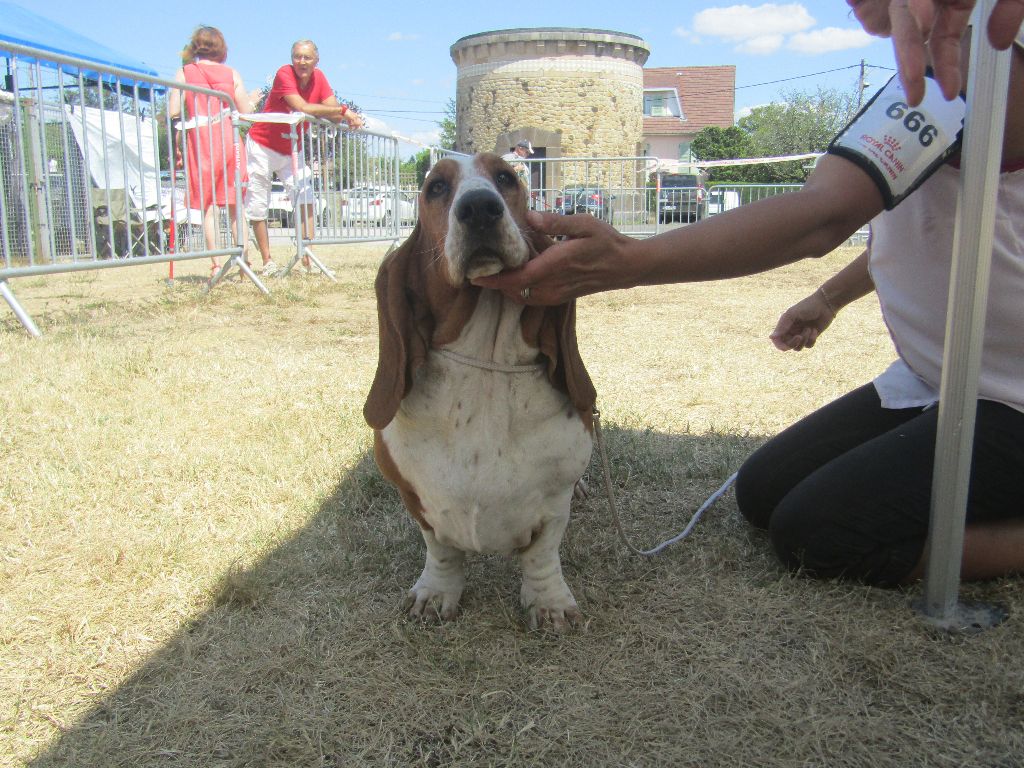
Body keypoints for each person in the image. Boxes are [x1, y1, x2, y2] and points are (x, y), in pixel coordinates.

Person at [473, 0, 1024, 586]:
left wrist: (629, 262)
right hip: (937, 379)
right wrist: (830, 298)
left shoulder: (988, 56)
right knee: (762, 491)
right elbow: (936, 225)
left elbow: (825, 215)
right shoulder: (943, 57)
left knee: (818, 535)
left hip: (1008, 398)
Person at [244, 39, 363, 276]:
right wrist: (343, 111)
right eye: (297, 56)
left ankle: (308, 256)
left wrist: (345, 116)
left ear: (316, 60)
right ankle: (267, 261)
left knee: (306, 196)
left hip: (291, 149)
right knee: (258, 204)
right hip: (261, 146)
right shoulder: (284, 73)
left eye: (307, 57)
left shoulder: (320, 78)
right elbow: (303, 108)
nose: (302, 61)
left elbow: (333, 113)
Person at [168, 26, 254, 277]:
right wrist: (252, 99)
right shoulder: (231, 73)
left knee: (210, 207)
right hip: (228, 139)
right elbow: (246, 111)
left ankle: (216, 265)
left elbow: (174, 111)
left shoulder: (185, 73)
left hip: (201, 141)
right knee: (236, 205)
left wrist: (177, 138)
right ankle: (244, 263)